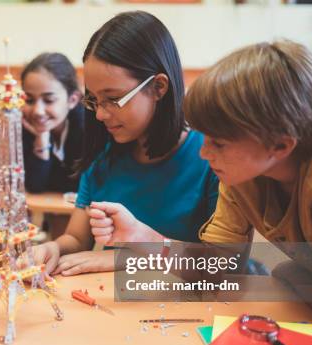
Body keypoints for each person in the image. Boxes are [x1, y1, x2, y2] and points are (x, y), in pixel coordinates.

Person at [88, 40, 312, 330]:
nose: (204, 153)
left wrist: (288, 278)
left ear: (281, 145)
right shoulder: (243, 173)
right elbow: (220, 268)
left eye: (218, 143)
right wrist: (139, 236)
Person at [33, 11, 218, 276]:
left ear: (158, 87)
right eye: (94, 100)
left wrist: (130, 256)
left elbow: (223, 264)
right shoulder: (103, 153)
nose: (100, 114)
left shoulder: (212, 156)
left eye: (113, 99)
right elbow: (76, 238)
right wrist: (54, 248)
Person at [21, 52, 84, 193]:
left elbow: (81, 187)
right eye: (29, 100)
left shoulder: (89, 128)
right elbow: (34, 187)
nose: (38, 111)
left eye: (49, 100)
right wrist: (41, 140)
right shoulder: (23, 126)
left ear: (72, 100)